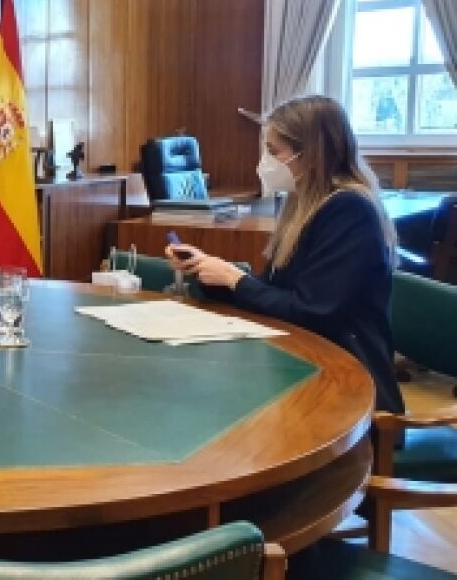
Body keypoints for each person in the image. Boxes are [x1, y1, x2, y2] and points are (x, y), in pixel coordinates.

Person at [165, 95, 404, 413]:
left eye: (274, 151)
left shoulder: (349, 209)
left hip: (348, 380)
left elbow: (313, 311)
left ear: (311, 154)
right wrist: (211, 272)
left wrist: (236, 280)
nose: (266, 161)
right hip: (304, 359)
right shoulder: (301, 203)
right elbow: (276, 290)